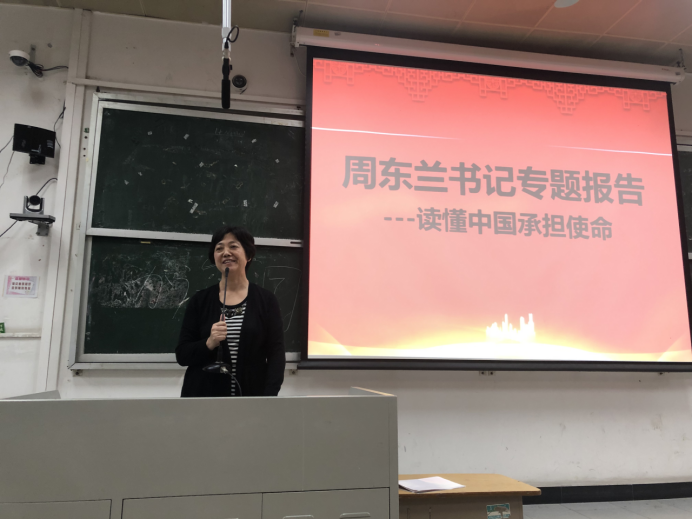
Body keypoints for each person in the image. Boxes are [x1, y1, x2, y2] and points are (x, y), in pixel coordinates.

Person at [176, 225, 285, 397]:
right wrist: (209, 342)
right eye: (219, 248)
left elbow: (276, 354)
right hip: (205, 398)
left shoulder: (266, 300)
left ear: (248, 255)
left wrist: (268, 398)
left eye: (233, 246)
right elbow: (182, 355)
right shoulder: (200, 300)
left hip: (251, 397)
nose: (226, 253)